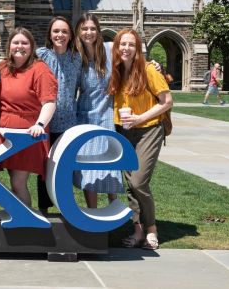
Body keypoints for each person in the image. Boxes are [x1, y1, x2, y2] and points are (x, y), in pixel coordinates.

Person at [108, 28, 173, 250]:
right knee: (129, 184)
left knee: (138, 181)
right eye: (122, 44)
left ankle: (152, 228)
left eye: (131, 44)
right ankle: (137, 232)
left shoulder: (148, 70)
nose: (126, 48)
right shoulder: (115, 71)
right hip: (124, 130)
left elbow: (167, 101)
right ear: (116, 47)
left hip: (149, 129)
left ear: (138, 49)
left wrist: (140, 118)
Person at [0, 27, 57, 208]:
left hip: (27, 135)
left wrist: (40, 124)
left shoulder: (40, 69)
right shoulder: (3, 67)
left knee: (18, 183)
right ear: (9, 46)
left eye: (24, 43)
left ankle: (25, 223)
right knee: (14, 181)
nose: (19, 46)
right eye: (16, 42)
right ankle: (19, 218)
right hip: (5, 133)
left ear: (31, 47)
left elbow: (49, 102)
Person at [73, 14, 124, 208]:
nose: (89, 32)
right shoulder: (76, 57)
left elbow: (133, 62)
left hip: (107, 115)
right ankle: (92, 212)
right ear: (79, 31)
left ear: (98, 31)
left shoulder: (110, 50)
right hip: (85, 118)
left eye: (92, 28)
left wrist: (153, 65)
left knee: (111, 164)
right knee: (88, 166)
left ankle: (114, 208)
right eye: (84, 28)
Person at [35, 16, 81, 211]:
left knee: (63, 168)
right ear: (50, 34)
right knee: (44, 167)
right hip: (45, 122)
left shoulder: (77, 58)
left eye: (64, 31)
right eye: (56, 31)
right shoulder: (41, 55)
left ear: (70, 35)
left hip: (69, 123)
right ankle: (44, 209)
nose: (60, 35)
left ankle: (64, 207)